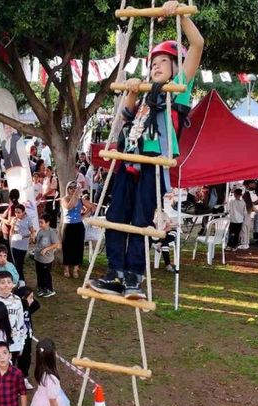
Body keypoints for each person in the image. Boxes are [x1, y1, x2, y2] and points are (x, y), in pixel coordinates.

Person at [91, 3, 203, 298]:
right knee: (116, 216)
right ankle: (114, 272)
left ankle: (134, 275)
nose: (155, 66)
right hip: (129, 160)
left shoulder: (177, 87)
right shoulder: (144, 94)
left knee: (141, 220)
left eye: (162, 62)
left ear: (176, 68)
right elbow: (126, 116)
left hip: (153, 162)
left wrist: (179, 14)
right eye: (153, 63)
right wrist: (131, 89)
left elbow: (198, 44)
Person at [0, 271, 27, 367]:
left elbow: (21, 322)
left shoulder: (17, 300)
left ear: (13, 284)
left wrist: (21, 343)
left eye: (9, 282)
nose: (6, 285)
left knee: (10, 368)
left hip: (13, 342)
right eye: (3, 282)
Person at [61, 182, 94, 280]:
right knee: (67, 247)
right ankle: (66, 269)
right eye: (71, 188)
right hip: (68, 225)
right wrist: (76, 194)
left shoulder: (81, 200)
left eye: (75, 188)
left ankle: (76, 269)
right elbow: (69, 207)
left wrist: (83, 216)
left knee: (78, 247)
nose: (73, 189)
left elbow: (92, 207)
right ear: (67, 189)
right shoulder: (64, 199)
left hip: (78, 226)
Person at [33, 214, 60, 297]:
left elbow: (56, 244)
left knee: (46, 274)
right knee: (39, 273)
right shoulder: (40, 231)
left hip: (46, 259)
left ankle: (49, 289)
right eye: (39, 222)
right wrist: (33, 237)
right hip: (38, 257)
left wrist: (46, 249)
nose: (40, 224)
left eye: (42, 222)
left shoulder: (51, 232)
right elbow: (36, 242)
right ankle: (41, 287)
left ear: (47, 223)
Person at [9, 204, 33, 284]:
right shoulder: (14, 219)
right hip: (14, 244)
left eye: (19, 212)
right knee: (15, 263)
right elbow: (11, 232)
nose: (17, 214)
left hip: (23, 245)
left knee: (19, 263)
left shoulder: (28, 220)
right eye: (15, 212)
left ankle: (21, 280)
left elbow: (32, 232)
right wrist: (13, 225)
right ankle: (17, 280)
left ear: (23, 212)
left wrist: (24, 236)